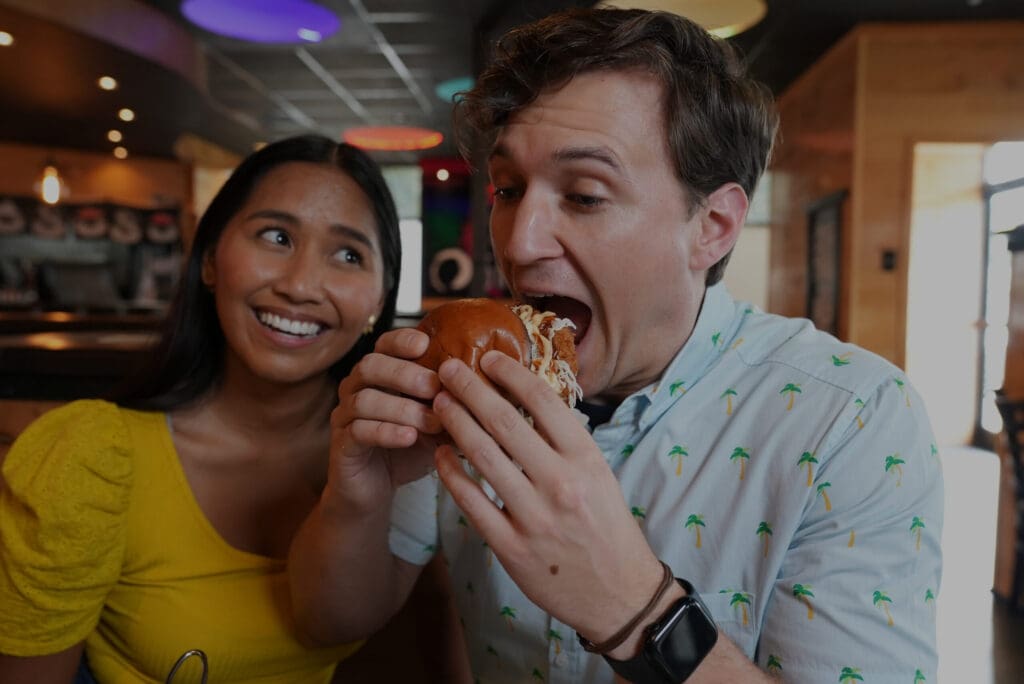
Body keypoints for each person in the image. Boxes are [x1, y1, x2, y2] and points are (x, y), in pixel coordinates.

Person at [289, 7, 944, 683]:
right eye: (509, 190)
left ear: (713, 227)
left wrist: (636, 610)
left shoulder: (851, 421)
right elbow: (327, 622)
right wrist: (358, 494)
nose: (517, 243)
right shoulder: (465, 384)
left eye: (584, 194)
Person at [0, 134, 403, 683]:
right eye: (277, 236)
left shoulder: (397, 453)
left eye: (348, 254)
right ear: (210, 258)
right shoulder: (89, 456)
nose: (301, 285)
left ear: (379, 300)